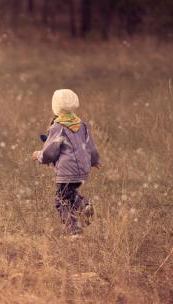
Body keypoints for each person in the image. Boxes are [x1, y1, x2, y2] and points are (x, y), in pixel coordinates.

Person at [32, 89, 100, 235]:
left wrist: (39, 156)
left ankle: (75, 226)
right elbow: (90, 146)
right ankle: (83, 205)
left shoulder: (57, 127)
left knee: (61, 200)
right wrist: (94, 160)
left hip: (66, 171)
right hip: (82, 170)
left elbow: (51, 152)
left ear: (55, 106)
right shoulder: (82, 125)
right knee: (70, 194)